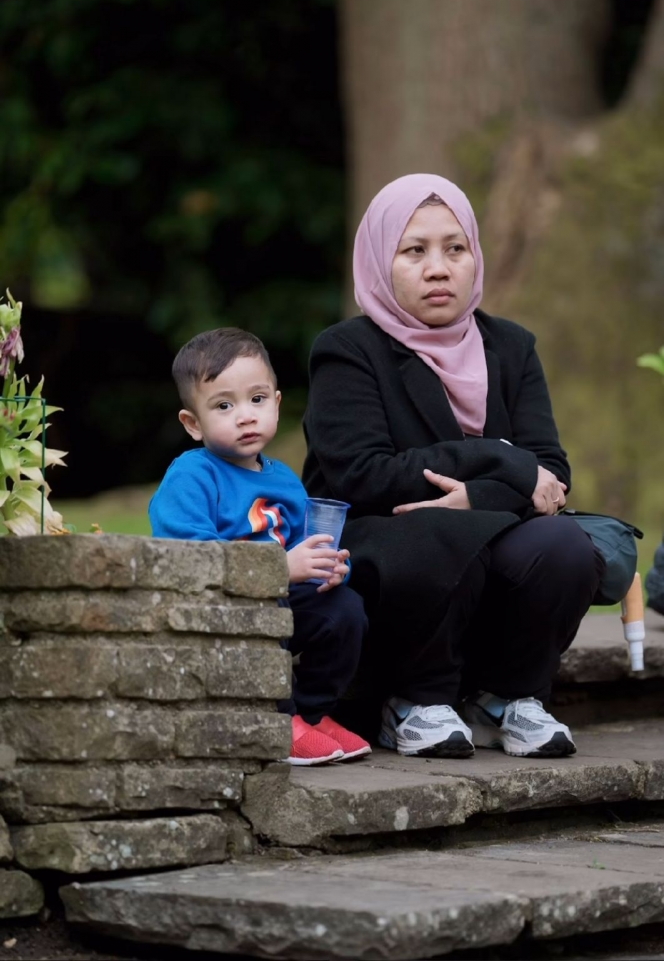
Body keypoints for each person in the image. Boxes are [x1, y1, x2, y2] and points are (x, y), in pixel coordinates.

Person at [302, 174, 605, 760]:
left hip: (478, 537)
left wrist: (478, 497)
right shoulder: (347, 350)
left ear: (475, 258)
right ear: (379, 262)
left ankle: (510, 698)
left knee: (563, 545)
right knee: (441, 534)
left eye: (455, 248)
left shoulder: (511, 347)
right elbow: (362, 475)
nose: (438, 268)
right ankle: (415, 701)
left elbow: (551, 472)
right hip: (384, 546)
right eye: (414, 251)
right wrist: (496, 457)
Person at [149, 327, 370, 766]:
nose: (246, 416)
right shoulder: (193, 476)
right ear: (193, 423)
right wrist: (278, 569)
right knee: (267, 616)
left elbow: (300, 543)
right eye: (224, 405)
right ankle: (276, 721)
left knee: (345, 611)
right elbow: (190, 559)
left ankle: (312, 711)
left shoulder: (284, 477)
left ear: (277, 402)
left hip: (281, 600)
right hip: (222, 610)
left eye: (257, 399)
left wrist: (325, 564)